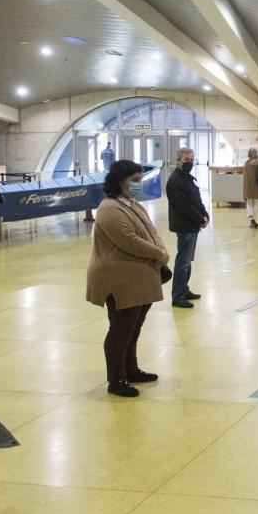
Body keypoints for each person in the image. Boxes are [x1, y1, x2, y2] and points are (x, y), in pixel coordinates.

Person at [86, 160, 169, 397]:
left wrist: (161, 249)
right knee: (121, 330)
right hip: (119, 279)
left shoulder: (132, 204)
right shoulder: (109, 208)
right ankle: (116, 379)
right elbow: (128, 240)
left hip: (139, 278)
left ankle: (131, 369)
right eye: (134, 180)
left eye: (139, 180)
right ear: (120, 181)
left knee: (134, 328)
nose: (138, 184)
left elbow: (152, 231)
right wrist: (159, 254)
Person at [166, 146, 209, 309]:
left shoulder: (186, 178)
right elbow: (183, 206)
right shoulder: (176, 180)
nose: (190, 163)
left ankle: (184, 289)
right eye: (186, 160)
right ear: (178, 161)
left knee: (188, 260)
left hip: (192, 225)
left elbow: (196, 200)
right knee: (182, 262)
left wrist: (205, 214)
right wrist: (200, 219)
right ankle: (177, 296)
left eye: (192, 160)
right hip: (185, 226)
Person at [242, 146, 258, 229]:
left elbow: (244, 174)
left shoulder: (246, 163)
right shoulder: (257, 162)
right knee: (256, 203)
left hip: (248, 185)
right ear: (256, 154)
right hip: (257, 186)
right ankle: (254, 219)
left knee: (249, 203)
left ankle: (251, 219)